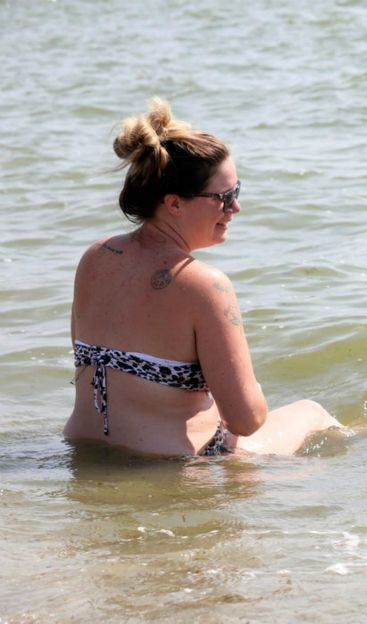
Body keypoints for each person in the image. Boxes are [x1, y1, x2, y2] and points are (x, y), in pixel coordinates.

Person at [65, 98, 340, 456]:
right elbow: (246, 420)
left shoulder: (95, 257)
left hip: (82, 449)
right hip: (167, 465)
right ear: (174, 204)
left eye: (237, 192)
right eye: (224, 197)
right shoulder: (203, 285)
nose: (235, 208)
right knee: (313, 414)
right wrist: (251, 391)